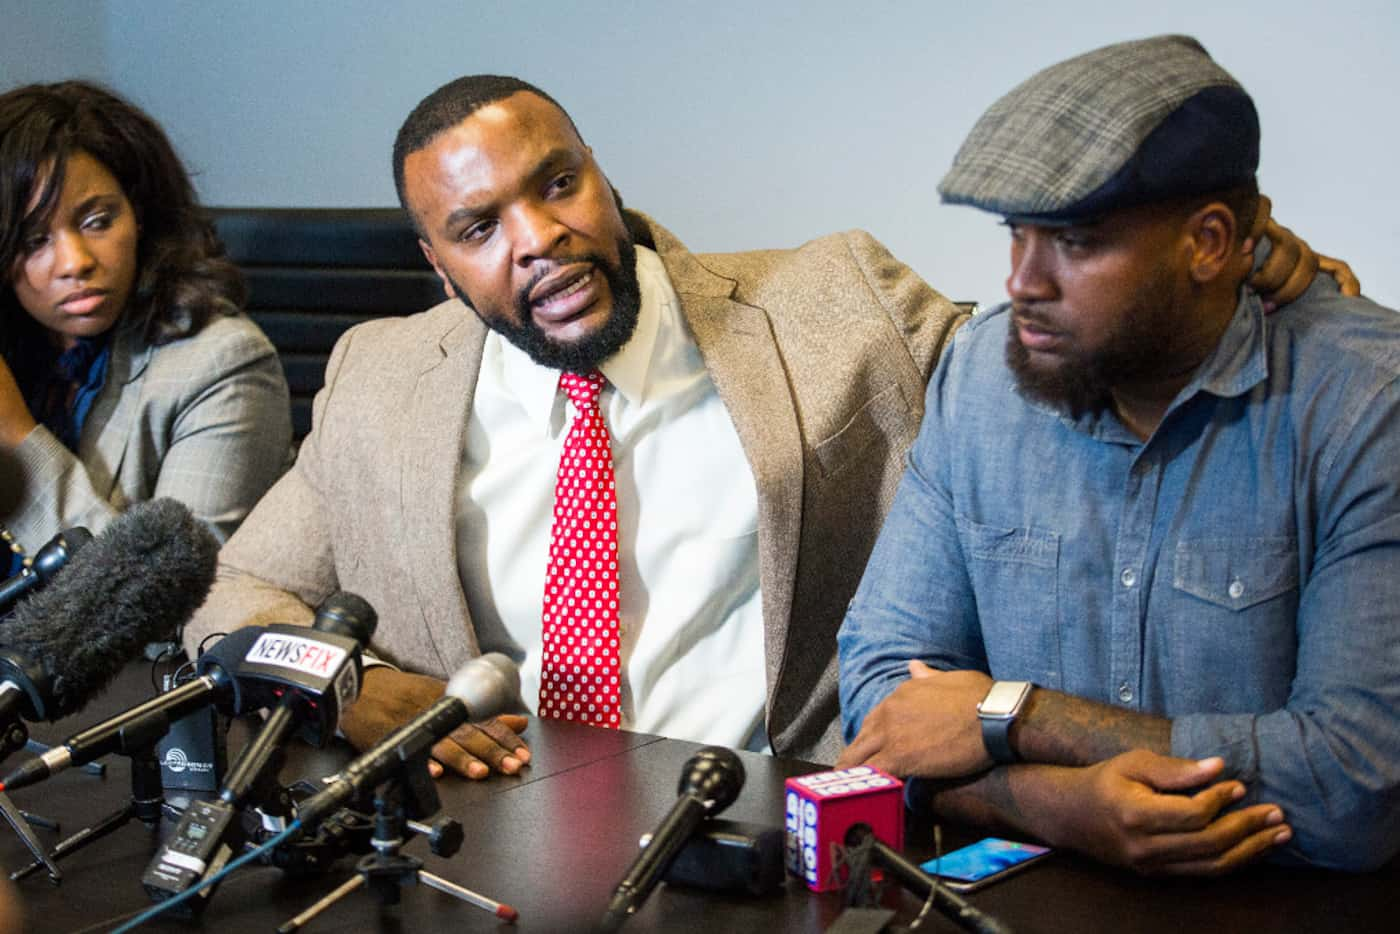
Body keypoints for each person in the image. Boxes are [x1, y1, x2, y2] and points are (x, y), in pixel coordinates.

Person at [185, 74, 1335, 779]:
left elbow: (1054, 360)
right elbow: (236, 596)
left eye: (558, 183)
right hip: (495, 838)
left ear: (601, 175)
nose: (537, 237)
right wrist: (342, 680)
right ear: (437, 267)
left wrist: (1257, 275)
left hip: (773, 836)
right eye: (481, 226)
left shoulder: (833, 303)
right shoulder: (380, 375)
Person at [837, 34, 1400, 876]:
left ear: (1208, 242)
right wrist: (1055, 806)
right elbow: (880, 698)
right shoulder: (981, 377)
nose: (1023, 281)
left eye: (1074, 241)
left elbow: (1357, 786)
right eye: (1017, 235)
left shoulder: (1363, 402)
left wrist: (1015, 717)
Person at [0, 81, 291, 580]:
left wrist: (18, 437)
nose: (76, 262)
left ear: (139, 215)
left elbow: (170, 611)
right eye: (34, 240)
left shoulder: (223, 364)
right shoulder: (20, 346)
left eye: (97, 220)